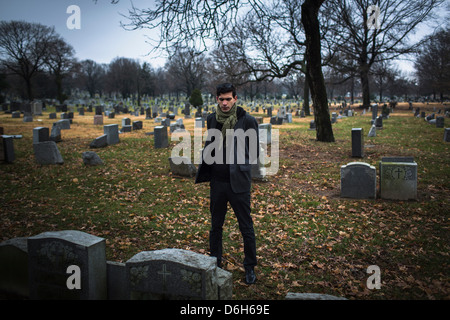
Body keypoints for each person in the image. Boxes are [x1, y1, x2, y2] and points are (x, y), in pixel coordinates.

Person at [195, 83, 259, 285]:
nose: (224, 103)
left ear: (235, 99)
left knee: (245, 226)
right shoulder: (212, 119)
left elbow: (254, 152)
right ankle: (215, 262)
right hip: (218, 183)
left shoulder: (247, 121)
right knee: (216, 226)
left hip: (238, 183)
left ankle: (249, 267)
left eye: (228, 99)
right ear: (217, 99)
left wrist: (237, 160)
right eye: (221, 99)